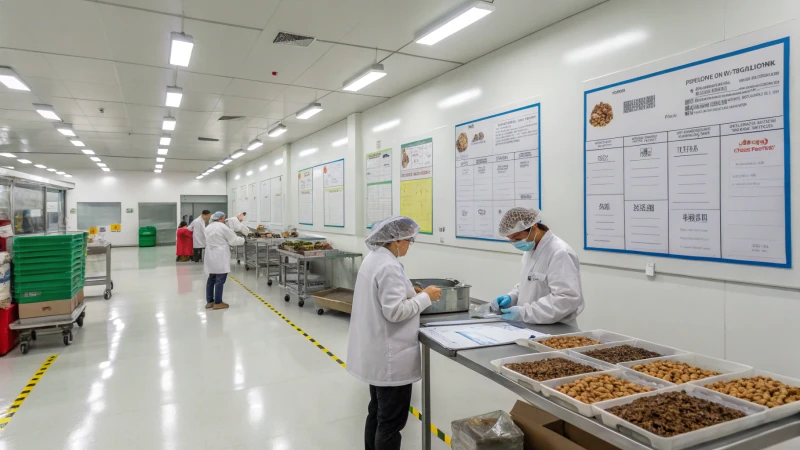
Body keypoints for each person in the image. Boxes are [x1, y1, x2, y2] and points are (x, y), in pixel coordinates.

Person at [346, 216, 442, 450]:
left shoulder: (376, 258)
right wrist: (426, 296)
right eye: (409, 240)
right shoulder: (388, 265)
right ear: (396, 240)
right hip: (391, 357)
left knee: (377, 412)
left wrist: (411, 290)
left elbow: (389, 293)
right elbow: (395, 312)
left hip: (377, 352)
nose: (410, 245)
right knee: (391, 422)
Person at [491, 207, 584, 327]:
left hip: (555, 329)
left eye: (518, 238)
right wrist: (512, 297)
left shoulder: (560, 253)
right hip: (531, 325)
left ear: (534, 226)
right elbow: (530, 283)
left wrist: (523, 312)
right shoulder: (530, 250)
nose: (515, 243)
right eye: (511, 240)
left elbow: (566, 299)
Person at [203, 211, 244, 310]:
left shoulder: (208, 227)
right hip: (220, 255)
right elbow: (233, 240)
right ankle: (218, 302)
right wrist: (243, 239)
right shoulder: (222, 227)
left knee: (211, 278)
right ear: (222, 218)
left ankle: (209, 301)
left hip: (210, 255)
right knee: (220, 279)